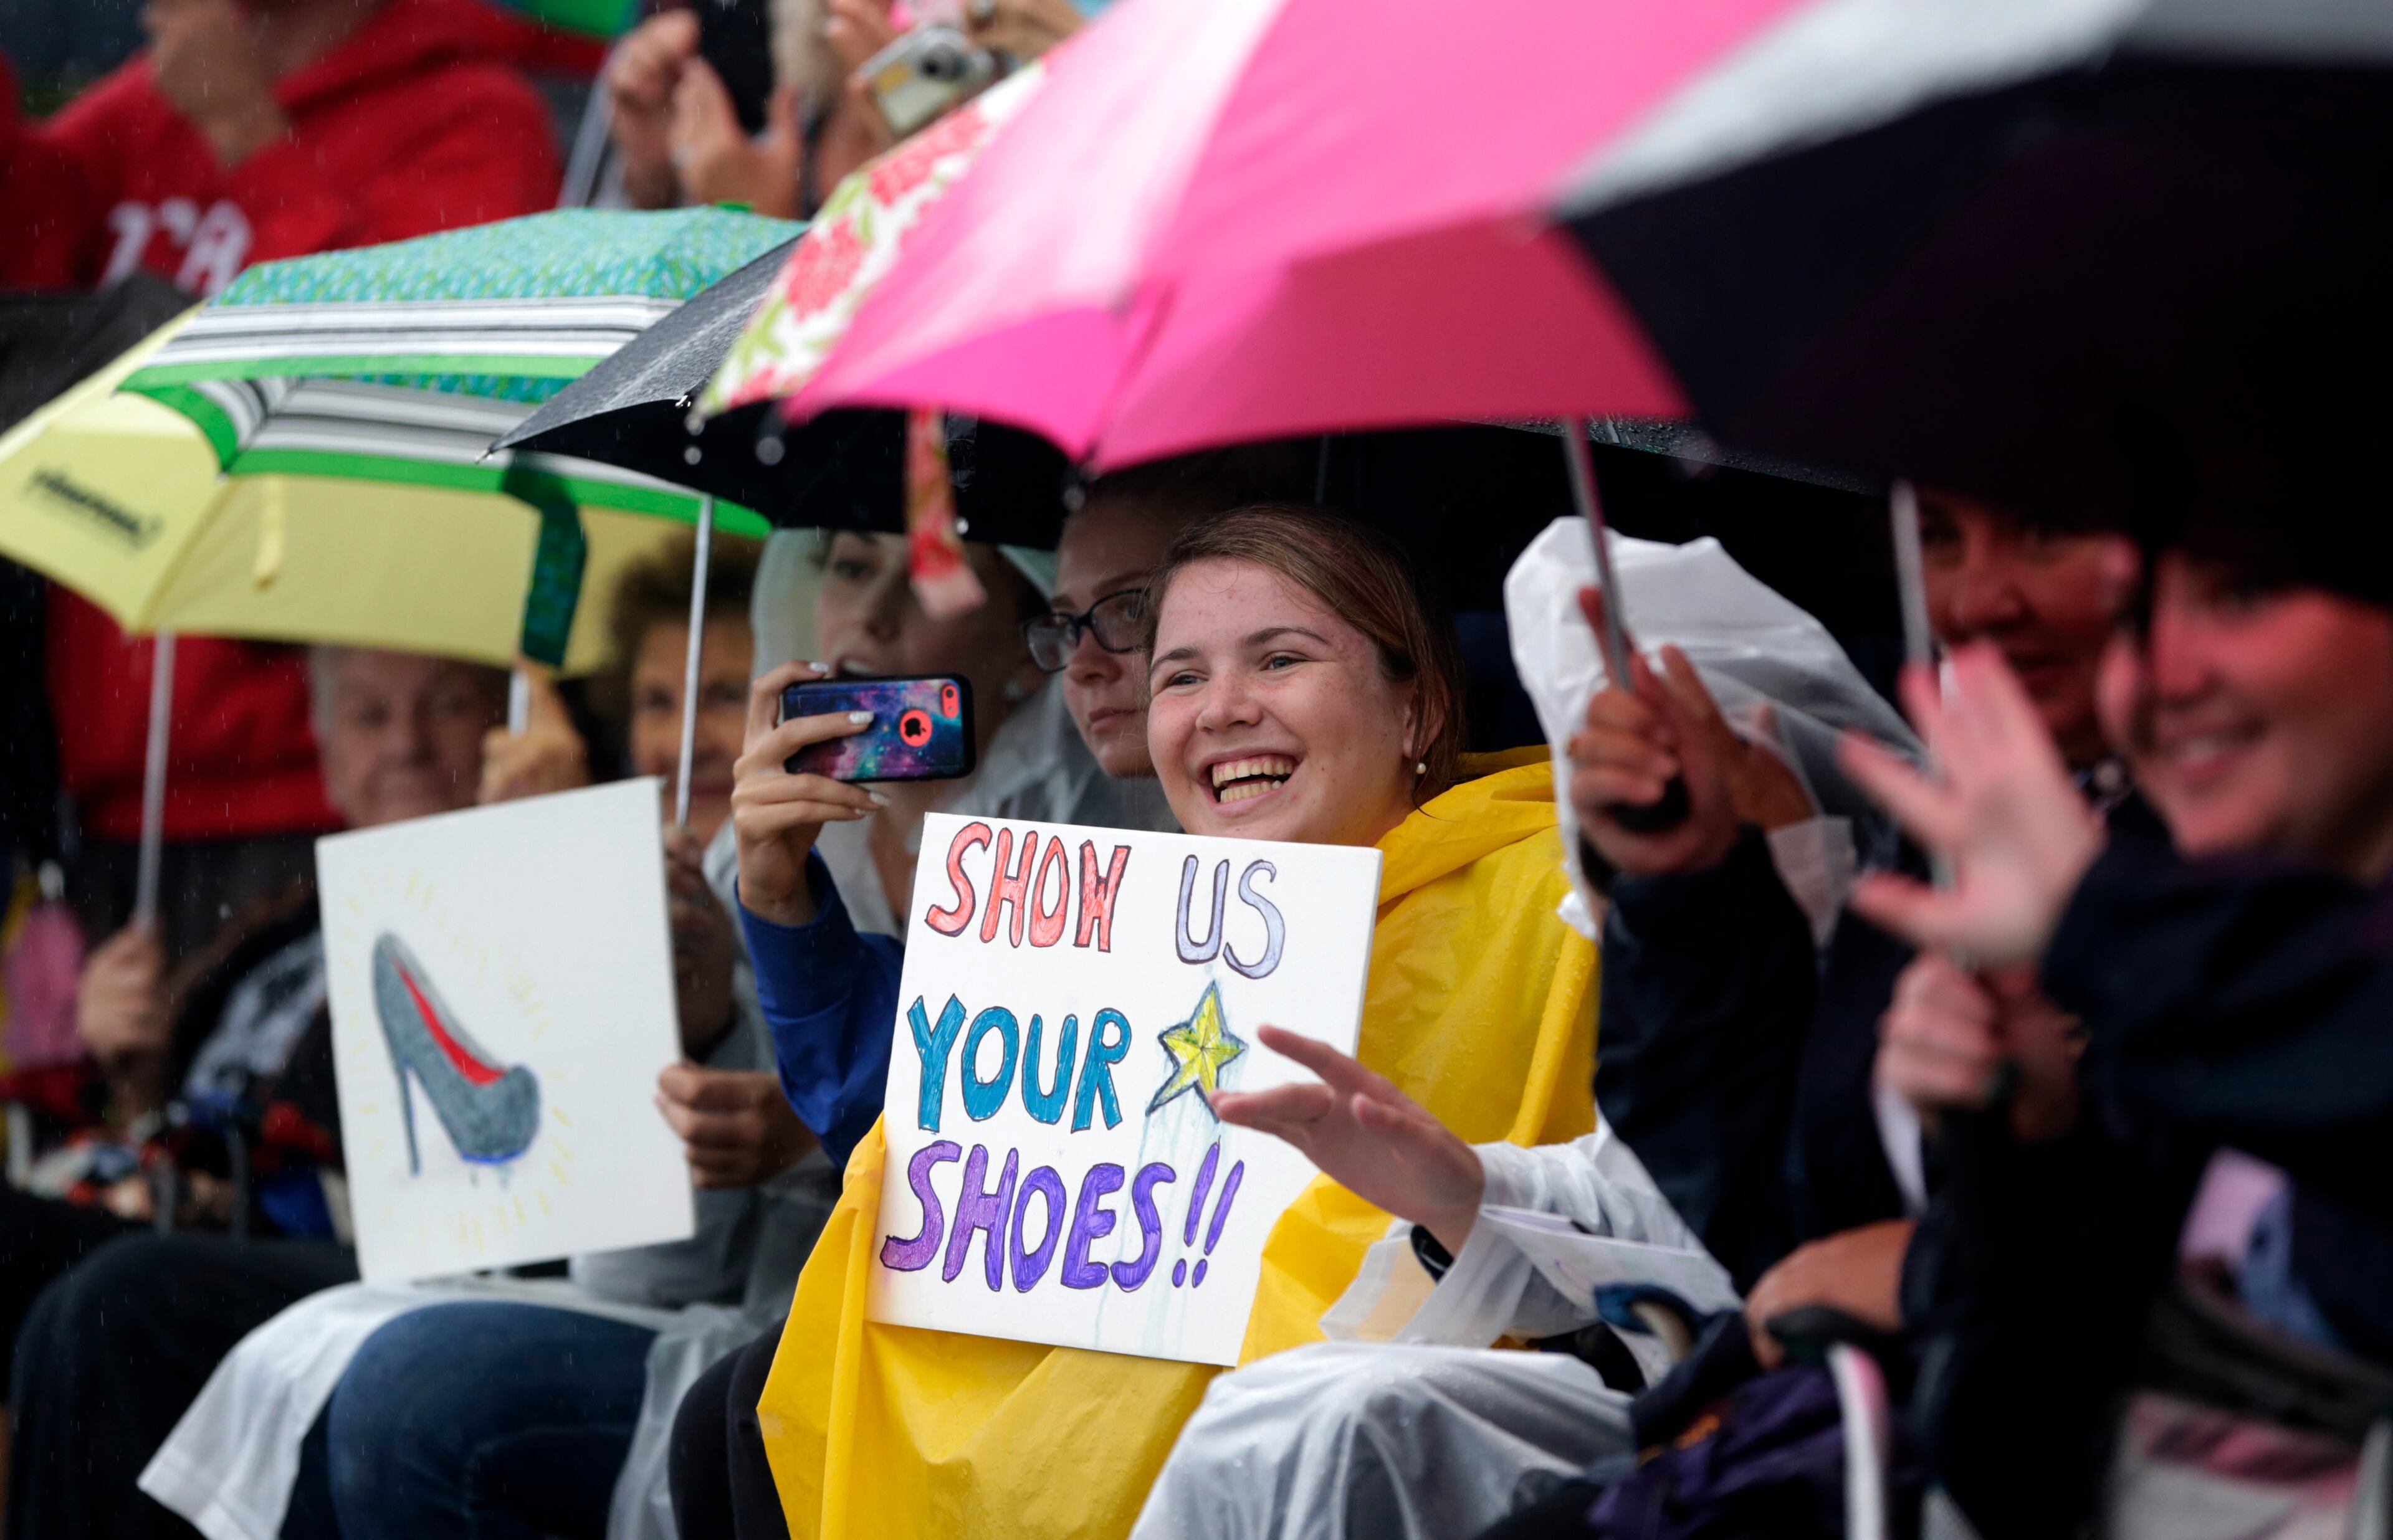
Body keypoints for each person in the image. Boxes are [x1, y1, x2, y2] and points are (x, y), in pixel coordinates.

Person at [732, 504, 1598, 1540]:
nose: (1222, 709)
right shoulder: (1123, 916)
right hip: (1082, 1438)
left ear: (1417, 710)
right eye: (1182, 676)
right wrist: (782, 906)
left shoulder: (1564, 903)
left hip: (1372, 1463)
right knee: (742, 1407)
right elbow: (924, 1139)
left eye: (1280, 660)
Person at [134, 539, 831, 1540]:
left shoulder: (749, 881)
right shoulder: (274, 923)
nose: (684, 738)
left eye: (725, 694)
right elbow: (635, 1271)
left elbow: (601, 1240)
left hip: (639, 1307)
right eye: (654, 702)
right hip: (569, 1287)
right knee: (123, 1305)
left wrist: (553, 883)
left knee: (397, 1391)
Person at [1840, 473, 2393, 1537]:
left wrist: (2104, 917)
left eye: (2248, 592)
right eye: (2137, 617)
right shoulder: (2168, 1003)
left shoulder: (2166, 962)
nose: (2155, 682)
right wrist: (2025, 1152)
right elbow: (2007, 1470)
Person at [35, 0, 566, 970]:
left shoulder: (473, 114)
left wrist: (249, 140)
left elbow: (399, 406)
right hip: (110, 801)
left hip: (338, 789)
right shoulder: (136, 113)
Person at [3, 647, 523, 1540]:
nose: (404, 744)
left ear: (500, 733)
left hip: (330, 1235)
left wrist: (527, 829)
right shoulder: (287, 916)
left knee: (113, 1297)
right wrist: (132, 1075)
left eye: (442, 706)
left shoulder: (519, 890)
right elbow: (156, 1125)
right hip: (177, 1201)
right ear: (326, 750)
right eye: (368, 716)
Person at [1583, 492, 2136, 1316]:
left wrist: (1936, 1273)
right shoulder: (1941, 833)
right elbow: (1780, 1229)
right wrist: (1690, 880)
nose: (1980, 599)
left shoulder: (2272, 846)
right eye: (1941, 539)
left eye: (2048, 529)